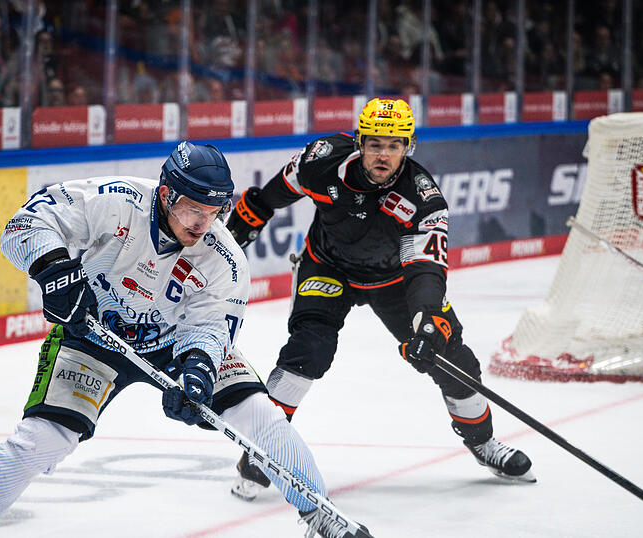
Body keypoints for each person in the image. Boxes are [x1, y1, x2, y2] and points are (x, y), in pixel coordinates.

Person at [0, 141, 370, 538]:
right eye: (194, 209)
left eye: (214, 212)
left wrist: (197, 371)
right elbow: (26, 224)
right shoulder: (115, 201)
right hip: (91, 337)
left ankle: (322, 517)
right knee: (43, 439)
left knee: (261, 416)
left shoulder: (225, 258)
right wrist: (54, 271)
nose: (203, 223)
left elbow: (212, 328)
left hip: (175, 344)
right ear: (166, 194)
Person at [225, 98, 536, 501]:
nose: (383, 154)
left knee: (455, 363)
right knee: (308, 351)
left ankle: (483, 444)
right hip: (327, 267)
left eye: (393, 145)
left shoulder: (423, 199)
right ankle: (262, 452)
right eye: (374, 144)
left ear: (409, 146)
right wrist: (246, 222)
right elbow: (273, 195)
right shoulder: (322, 160)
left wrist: (427, 320)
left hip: (395, 281)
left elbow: (426, 270)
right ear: (358, 142)